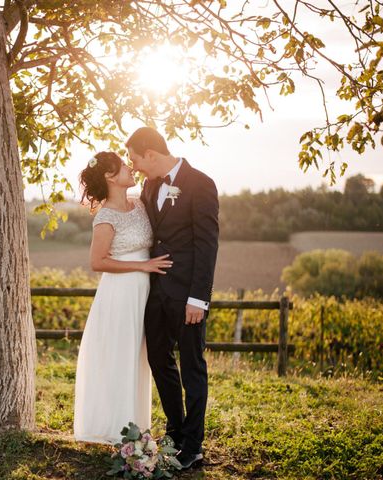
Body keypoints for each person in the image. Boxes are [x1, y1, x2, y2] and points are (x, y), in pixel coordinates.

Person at [127, 126, 219, 470]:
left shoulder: (201, 183)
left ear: (151, 154)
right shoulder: (150, 186)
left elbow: (207, 245)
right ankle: (176, 431)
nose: (135, 168)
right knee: (159, 360)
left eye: (137, 160)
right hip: (157, 293)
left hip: (188, 297)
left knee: (192, 366)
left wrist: (199, 298)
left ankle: (193, 446)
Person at [73, 151, 173, 444]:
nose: (131, 168)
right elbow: (98, 262)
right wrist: (142, 266)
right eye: (123, 166)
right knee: (120, 356)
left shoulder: (140, 204)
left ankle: (136, 425)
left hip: (145, 291)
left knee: (138, 357)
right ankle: (114, 426)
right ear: (109, 177)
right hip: (120, 293)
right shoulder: (105, 216)